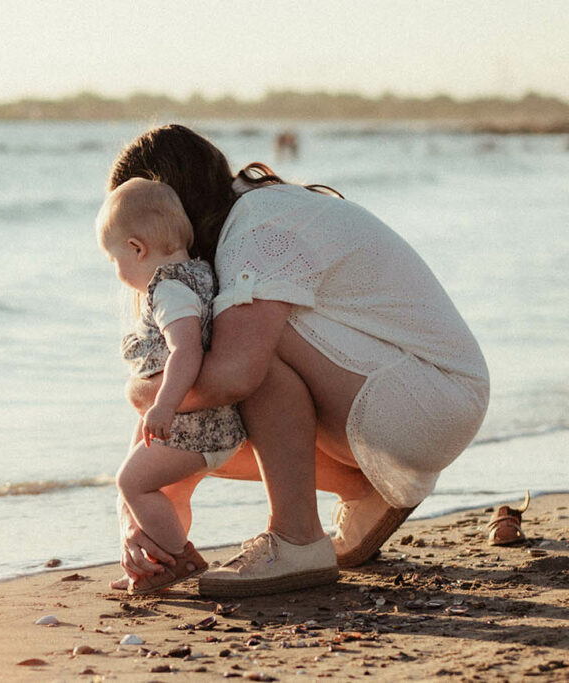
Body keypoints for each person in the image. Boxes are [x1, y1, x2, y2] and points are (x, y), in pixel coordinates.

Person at [106, 124, 489, 598]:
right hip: (413, 399)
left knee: (242, 358)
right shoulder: (247, 218)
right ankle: (360, 489)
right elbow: (183, 407)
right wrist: (136, 507)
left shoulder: (257, 226)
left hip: (428, 398)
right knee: (201, 418)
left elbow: (232, 377)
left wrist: (138, 393)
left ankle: (296, 539)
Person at [96, 178, 246, 594]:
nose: (117, 272)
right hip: (206, 425)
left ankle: (178, 557)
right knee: (157, 490)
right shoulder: (198, 272)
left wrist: (162, 405)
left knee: (131, 482)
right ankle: (156, 562)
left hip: (196, 427)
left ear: (137, 249)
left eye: (114, 260)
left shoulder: (170, 291)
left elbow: (186, 352)